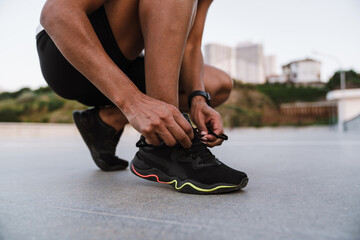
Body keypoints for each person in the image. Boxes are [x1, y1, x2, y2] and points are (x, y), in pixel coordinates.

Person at [36, 0, 248, 194]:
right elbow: (56, 13)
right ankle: (164, 145)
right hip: (69, 56)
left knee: (217, 84)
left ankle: (105, 121)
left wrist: (198, 99)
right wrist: (132, 101)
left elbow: (191, 44)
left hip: (126, 62)